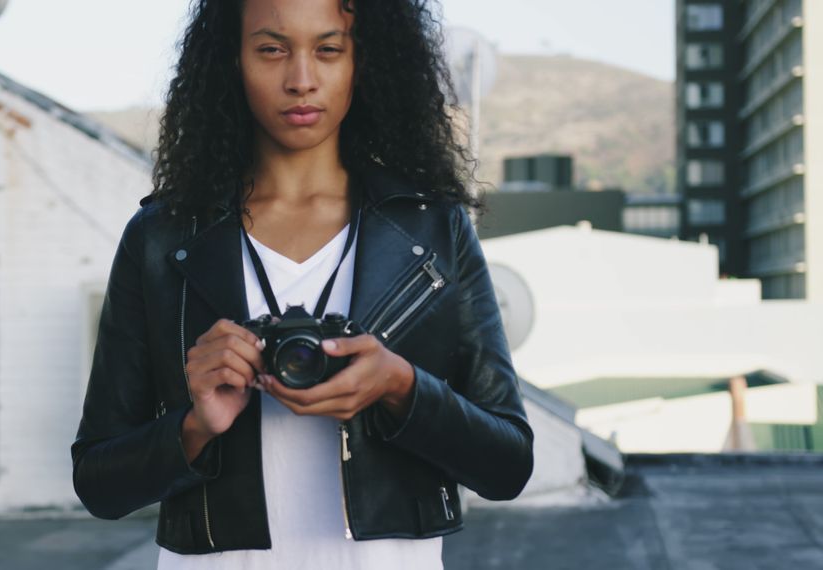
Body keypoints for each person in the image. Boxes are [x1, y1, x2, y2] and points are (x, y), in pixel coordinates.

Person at [71, 0, 534, 567]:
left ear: (364, 61)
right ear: (231, 60)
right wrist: (194, 427)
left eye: (329, 49)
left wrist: (401, 387)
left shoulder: (431, 227)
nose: (301, 80)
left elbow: (508, 464)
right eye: (271, 49)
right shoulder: (161, 236)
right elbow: (99, 483)